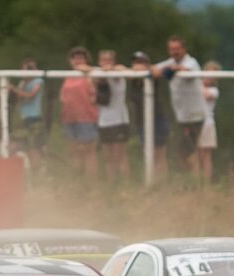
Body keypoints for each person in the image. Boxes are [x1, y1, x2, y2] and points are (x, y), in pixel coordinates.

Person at [152, 36, 204, 174]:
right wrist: (165, 70)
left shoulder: (191, 62)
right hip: (181, 116)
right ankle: (188, 180)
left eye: (177, 49)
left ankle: (196, 182)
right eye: (171, 49)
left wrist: (172, 69)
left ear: (184, 49)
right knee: (180, 152)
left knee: (191, 151)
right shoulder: (170, 62)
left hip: (195, 115)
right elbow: (155, 69)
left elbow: (186, 70)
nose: (174, 52)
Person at [80, 50, 131, 181]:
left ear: (113, 61)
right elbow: (82, 67)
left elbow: (122, 70)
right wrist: (95, 71)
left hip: (119, 121)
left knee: (121, 156)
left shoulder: (117, 73)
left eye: (109, 60)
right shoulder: (99, 74)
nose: (106, 63)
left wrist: (112, 68)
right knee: (108, 157)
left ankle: (127, 184)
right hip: (104, 121)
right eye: (103, 60)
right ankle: (111, 186)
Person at [129, 51, 169, 180]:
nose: (137, 65)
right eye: (135, 62)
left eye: (141, 62)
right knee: (147, 154)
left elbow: (157, 71)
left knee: (159, 154)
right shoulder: (132, 78)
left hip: (157, 119)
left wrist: (146, 68)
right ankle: (152, 181)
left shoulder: (152, 75)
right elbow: (118, 68)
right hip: (142, 121)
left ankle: (161, 184)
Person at [60, 47, 99, 178]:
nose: (77, 61)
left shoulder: (90, 75)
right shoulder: (68, 76)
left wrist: (87, 69)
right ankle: (76, 181)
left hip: (86, 118)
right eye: (74, 58)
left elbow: (99, 76)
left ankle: (91, 182)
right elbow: (63, 96)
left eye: (80, 58)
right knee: (73, 151)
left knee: (88, 151)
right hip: (69, 118)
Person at [12, 58, 45, 168]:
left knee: (35, 146)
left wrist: (14, 89)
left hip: (34, 117)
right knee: (25, 146)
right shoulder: (22, 83)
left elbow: (31, 95)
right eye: (27, 68)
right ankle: (29, 169)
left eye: (31, 67)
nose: (29, 70)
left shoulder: (38, 81)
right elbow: (19, 98)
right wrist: (21, 85)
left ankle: (38, 169)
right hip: (24, 117)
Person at [197, 61, 220, 183]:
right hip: (195, 122)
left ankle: (206, 183)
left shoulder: (214, 91)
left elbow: (205, 95)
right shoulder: (197, 85)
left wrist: (198, 86)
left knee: (206, 155)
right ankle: (196, 181)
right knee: (196, 154)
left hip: (207, 124)